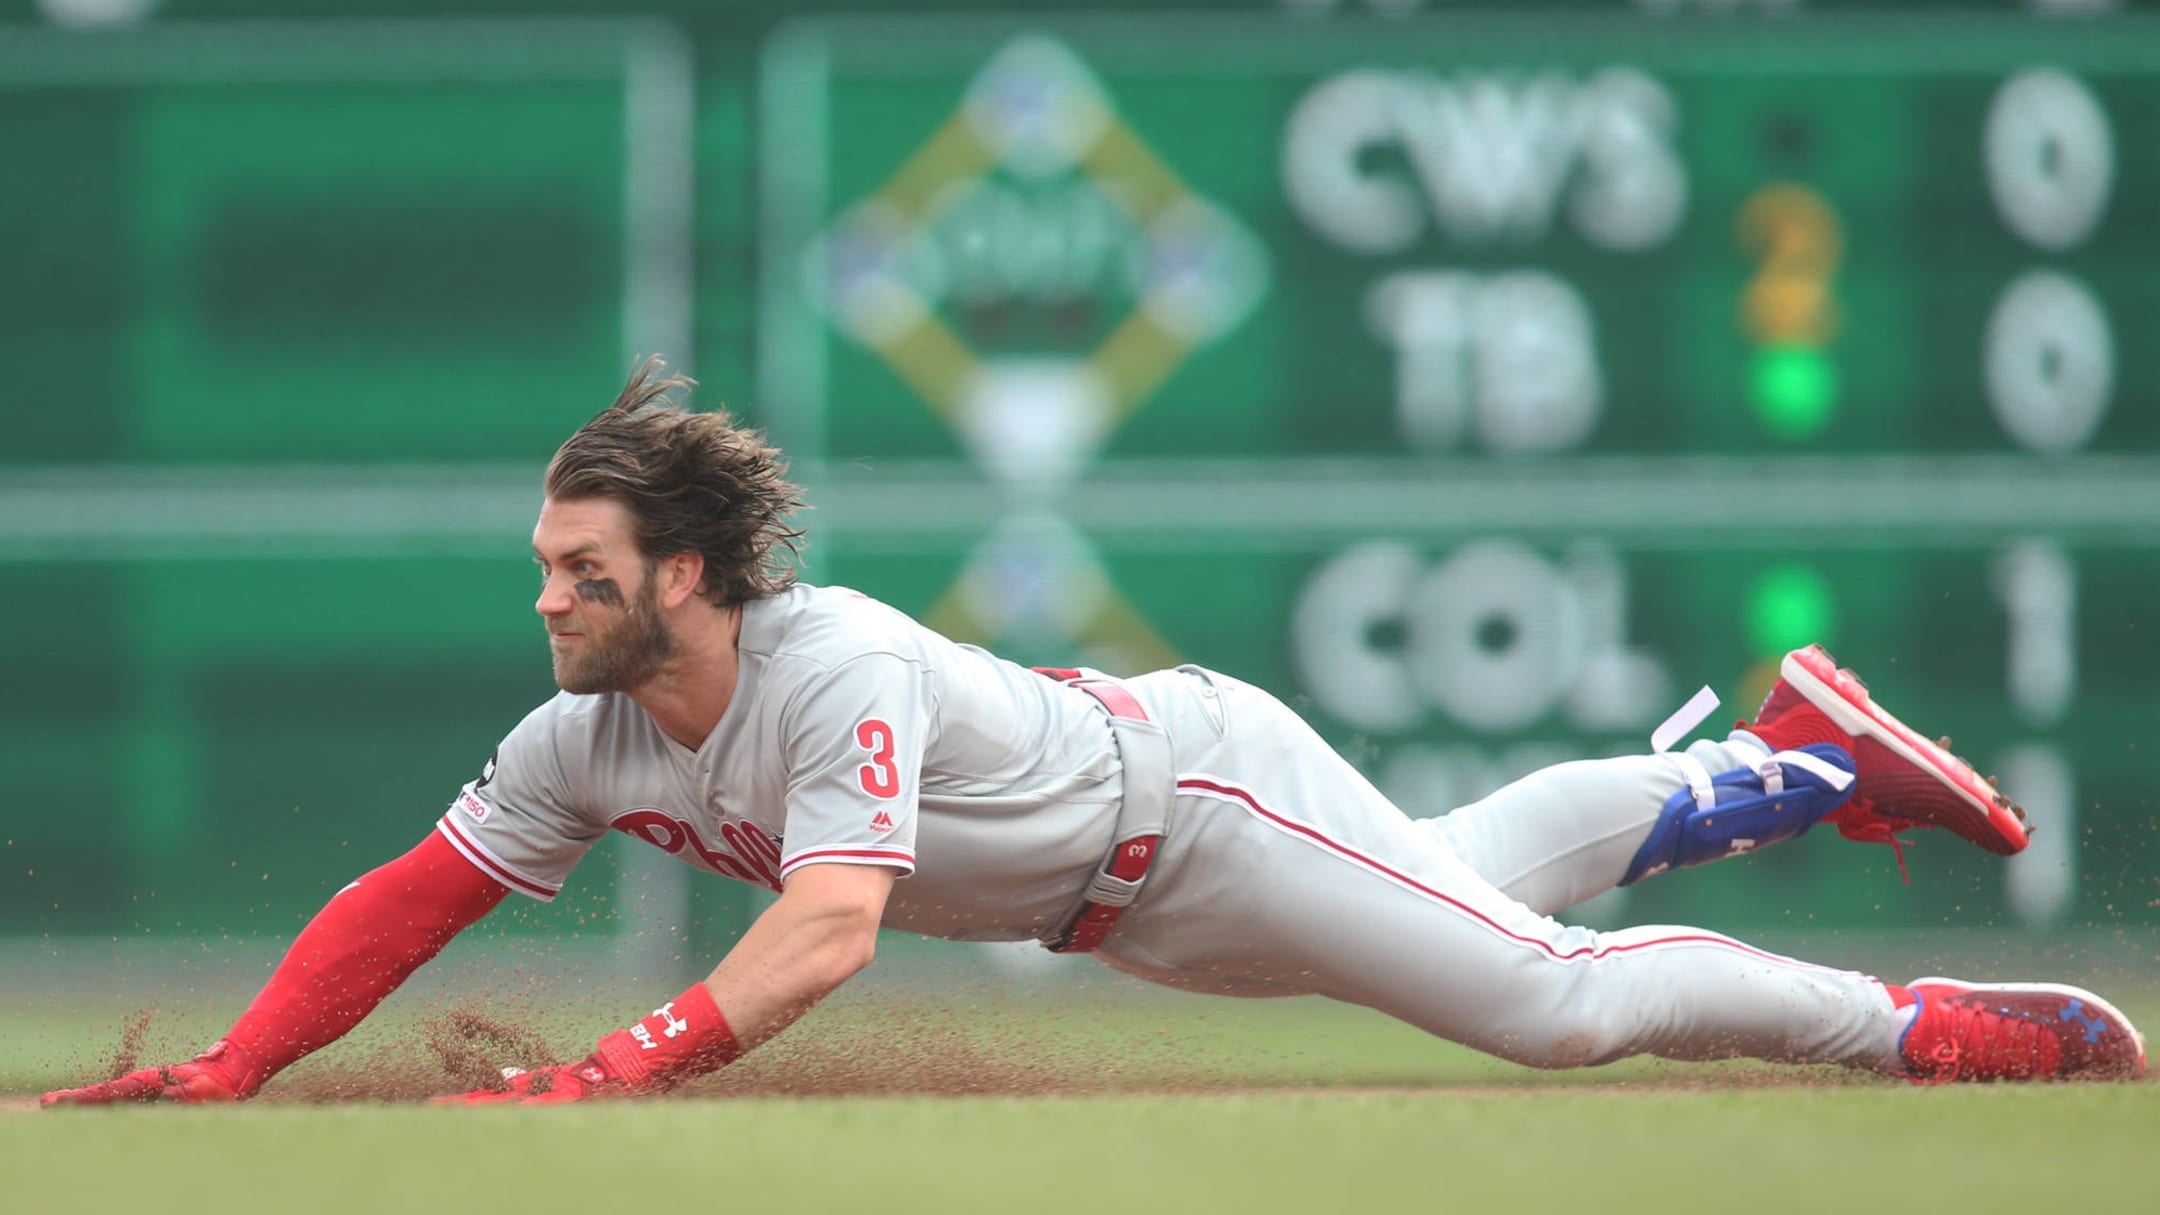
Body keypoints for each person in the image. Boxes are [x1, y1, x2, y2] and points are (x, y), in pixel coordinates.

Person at [42, 360, 2146, 1106]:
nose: (549, 595)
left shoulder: (826, 661)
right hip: (1123, 911)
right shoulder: (583, 734)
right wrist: (238, 1062)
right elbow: (406, 899)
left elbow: (835, 927)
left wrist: (620, 1062)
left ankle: (1951, 1031)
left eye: (583, 564)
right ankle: (1779, 757)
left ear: (688, 571)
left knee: (1547, 1007)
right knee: (1479, 868)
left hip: (1197, 799)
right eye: (543, 563)